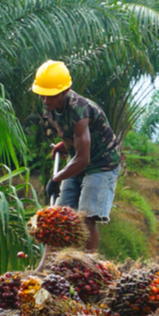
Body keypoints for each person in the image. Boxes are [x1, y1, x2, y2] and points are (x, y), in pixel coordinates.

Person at [32, 60, 121, 252]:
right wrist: (65, 145)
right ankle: (58, 267)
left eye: (51, 96)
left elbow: (83, 158)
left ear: (64, 91)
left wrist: (56, 178)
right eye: (43, 96)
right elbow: (79, 138)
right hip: (79, 160)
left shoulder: (79, 111)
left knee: (85, 217)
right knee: (62, 218)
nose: (46, 100)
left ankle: (88, 265)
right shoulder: (54, 107)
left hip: (101, 164)